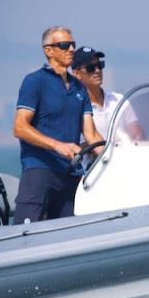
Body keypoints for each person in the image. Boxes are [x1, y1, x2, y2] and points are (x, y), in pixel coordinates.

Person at [12, 27, 104, 224]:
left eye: (73, 44)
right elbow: (19, 127)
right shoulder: (35, 81)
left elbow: (92, 135)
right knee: (23, 234)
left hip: (70, 176)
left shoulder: (80, 88)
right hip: (39, 171)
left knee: (73, 236)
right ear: (49, 50)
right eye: (64, 45)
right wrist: (58, 145)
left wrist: (116, 160)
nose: (71, 49)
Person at [71, 46, 144, 144]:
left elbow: (137, 135)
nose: (97, 71)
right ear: (77, 74)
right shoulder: (73, 106)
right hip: (95, 159)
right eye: (90, 68)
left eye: (100, 65)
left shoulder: (119, 100)